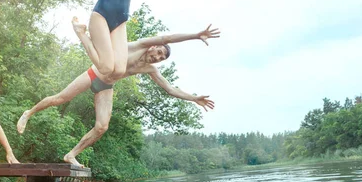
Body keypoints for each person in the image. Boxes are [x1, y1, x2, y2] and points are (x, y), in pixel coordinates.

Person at [17, 25, 221, 167]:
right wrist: (195, 35)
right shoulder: (138, 45)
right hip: (94, 73)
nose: (157, 56)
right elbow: (167, 39)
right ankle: (29, 112)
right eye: (158, 51)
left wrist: (193, 98)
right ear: (152, 46)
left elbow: (169, 89)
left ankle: (71, 155)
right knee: (60, 99)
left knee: (102, 127)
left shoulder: (150, 69)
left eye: (160, 57)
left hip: (106, 86)